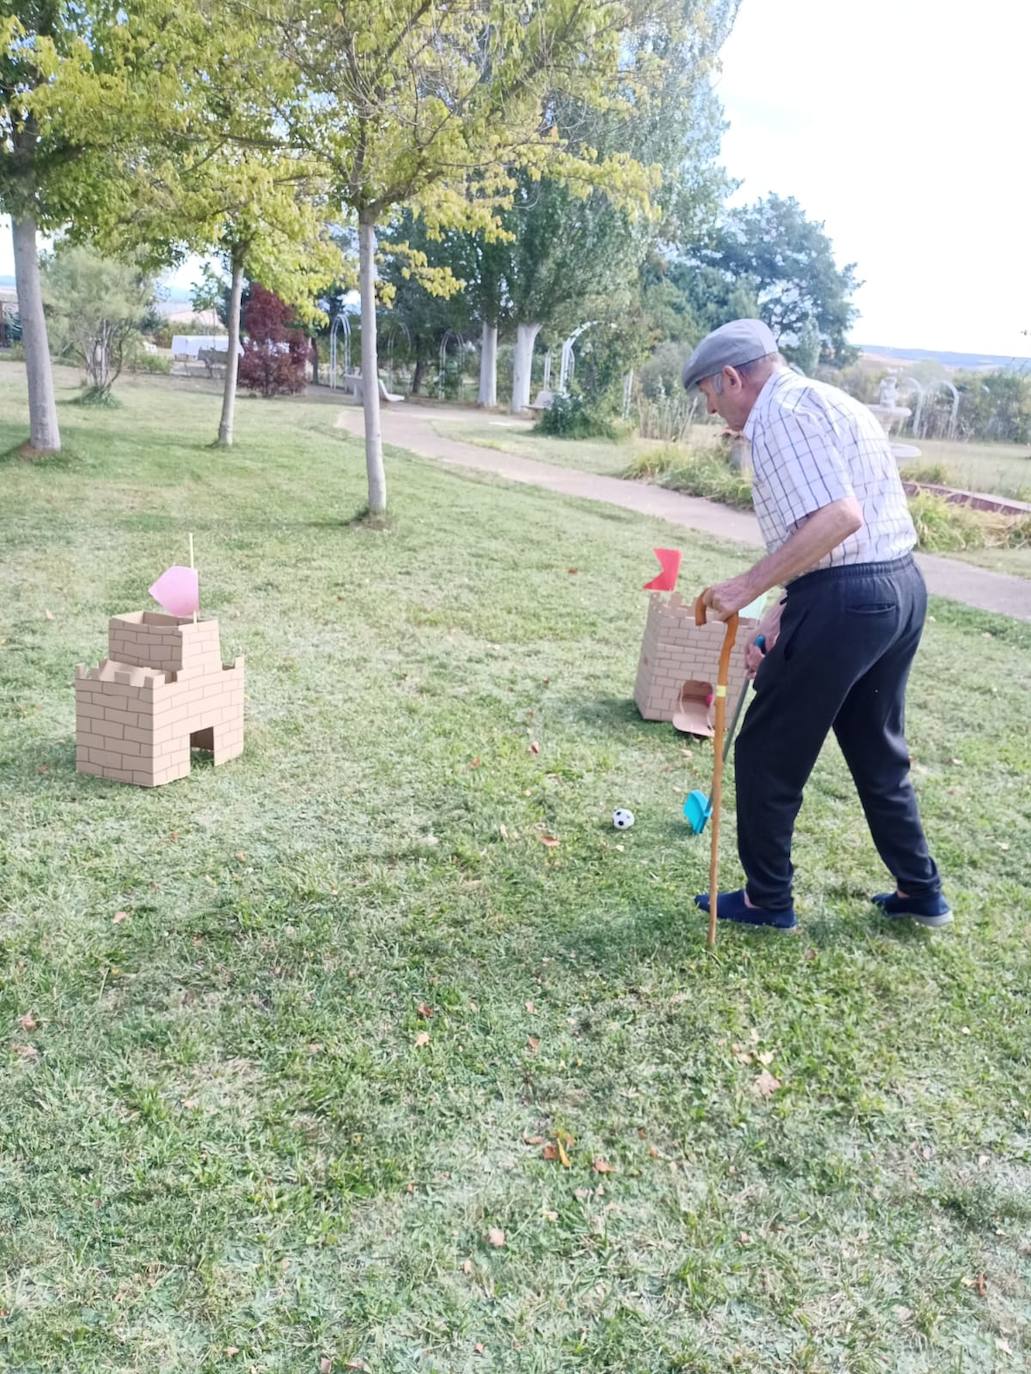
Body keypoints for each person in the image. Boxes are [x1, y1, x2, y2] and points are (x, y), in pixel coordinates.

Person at [680, 319, 949, 933]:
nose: (713, 407)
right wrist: (783, 609)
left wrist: (746, 589)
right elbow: (836, 537)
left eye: (709, 393)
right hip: (896, 588)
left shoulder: (778, 417)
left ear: (731, 377)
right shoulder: (827, 400)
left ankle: (766, 900)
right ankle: (921, 893)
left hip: (848, 602)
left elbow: (838, 517)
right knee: (877, 749)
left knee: (767, 750)